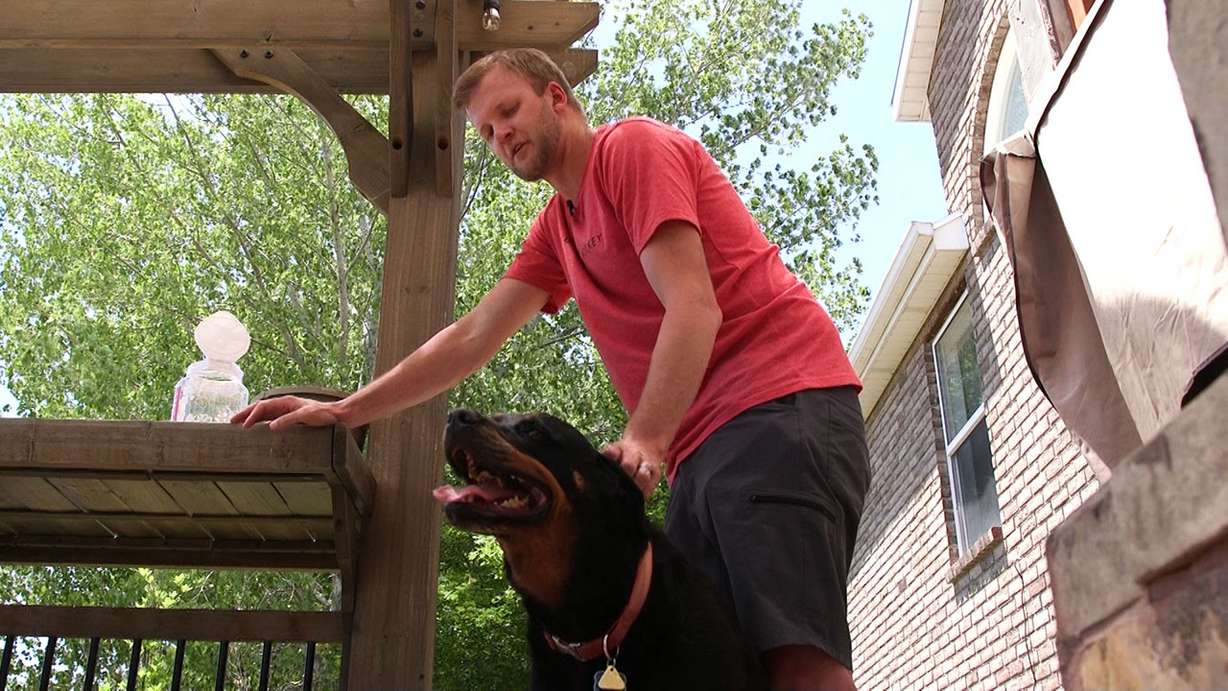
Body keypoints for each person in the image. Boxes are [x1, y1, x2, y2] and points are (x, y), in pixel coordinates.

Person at [232, 48, 871, 690]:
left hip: (775, 410)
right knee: (719, 671)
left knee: (797, 666)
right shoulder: (558, 228)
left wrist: (645, 439)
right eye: (485, 130)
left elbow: (694, 305)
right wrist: (344, 411)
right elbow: (471, 337)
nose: (500, 134)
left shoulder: (630, 152)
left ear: (556, 98)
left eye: (509, 110)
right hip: (698, 451)